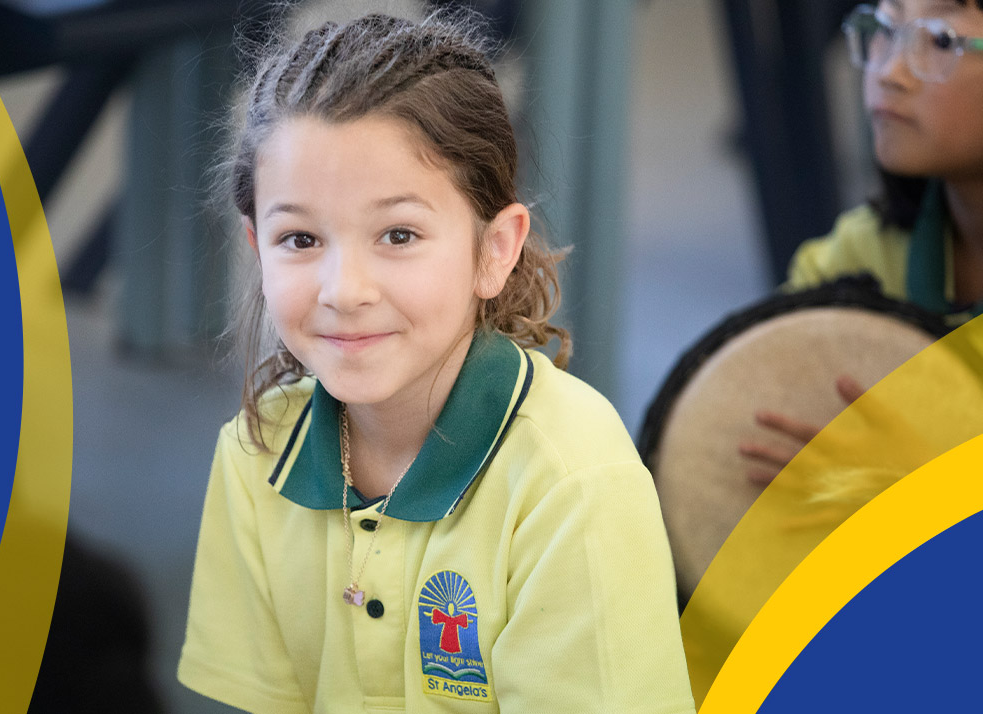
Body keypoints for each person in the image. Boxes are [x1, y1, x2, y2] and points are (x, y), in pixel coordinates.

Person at [176, 11, 695, 714]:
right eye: (299, 238)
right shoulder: (254, 452)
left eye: (398, 233)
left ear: (495, 249)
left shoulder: (571, 481)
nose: (344, 291)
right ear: (255, 247)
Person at [745, 0, 983, 479]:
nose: (888, 72)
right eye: (884, 28)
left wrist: (929, 493)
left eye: (939, 40)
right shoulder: (852, 261)